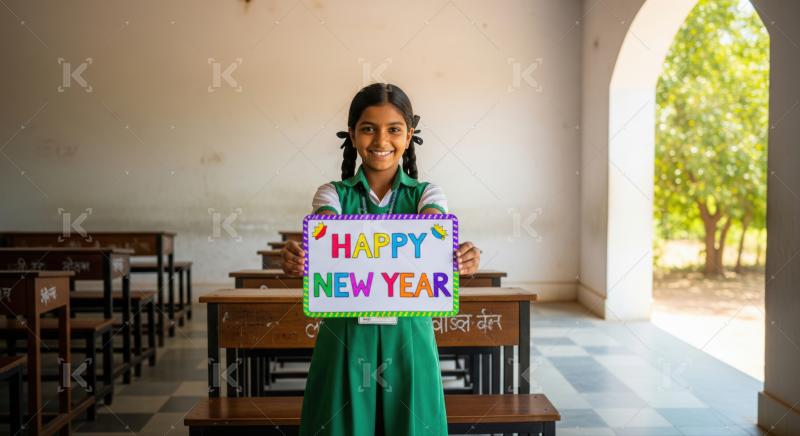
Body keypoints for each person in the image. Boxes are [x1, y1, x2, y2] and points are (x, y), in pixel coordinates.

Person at [282, 82, 482, 435]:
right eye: (368, 129)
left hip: (408, 336)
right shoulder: (331, 194)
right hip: (345, 335)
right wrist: (304, 258)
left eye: (394, 129)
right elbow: (326, 234)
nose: (380, 141)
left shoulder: (427, 194)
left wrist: (460, 257)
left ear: (409, 136)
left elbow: (433, 229)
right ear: (352, 135)